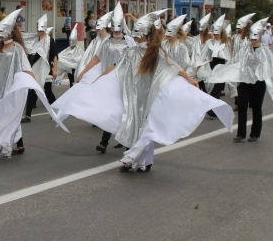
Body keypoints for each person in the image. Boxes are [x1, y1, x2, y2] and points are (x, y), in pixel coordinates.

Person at [56, 12, 233, 172]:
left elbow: (174, 67)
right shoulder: (131, 51)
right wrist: (98, 79)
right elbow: (116, 65)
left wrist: (189, 79)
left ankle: (133, 158)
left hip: (149, 95)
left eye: (138, 31)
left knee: (146, 127)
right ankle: (138, 160)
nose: (135, 34)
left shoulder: (155, 52)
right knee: (131, 124)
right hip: (132, 95)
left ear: (145, 34)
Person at [0, 9, 67, 158]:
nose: (0, 35)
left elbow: (26, 68)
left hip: (12, 88)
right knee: (4, 116)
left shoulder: (17, 49)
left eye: (3, 32)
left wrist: (34, 85)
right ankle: (19, 145)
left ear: (11, 33)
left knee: (8, 116)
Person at [209, 18, 273, 142]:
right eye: (251, 37)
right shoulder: (244, 49)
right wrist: (223, 71)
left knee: (256, 106)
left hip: (258, 82)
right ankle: (241, 133)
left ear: (259, 37)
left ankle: (255, 133)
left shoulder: (265, 51)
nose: (253, 39)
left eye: (255, 37)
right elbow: (235, 61)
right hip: (244, 80)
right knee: (242, 105)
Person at [76, 2, 136, 153]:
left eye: (118, 26)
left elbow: (135, 60)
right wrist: (83, 72)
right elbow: (97, 58)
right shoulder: (106, 41)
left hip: (124, 81)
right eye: (114, 26)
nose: (116, 30)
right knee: (109, 109)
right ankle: (104, 143)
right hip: (107, 81)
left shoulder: (129, 42)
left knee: (124, 111)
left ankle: (128, 143)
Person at [21, 14, 58, 123]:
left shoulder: (50, 40)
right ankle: (28, 116)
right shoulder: (34, 40)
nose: (40, 31)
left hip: (45, 70)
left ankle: (55, 112)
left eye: (42, 29)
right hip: (34, 69)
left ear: (45, 28)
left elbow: (54, 55)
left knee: (47, 91)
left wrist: (55, 69)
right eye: (38, 29)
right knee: (31, 91)